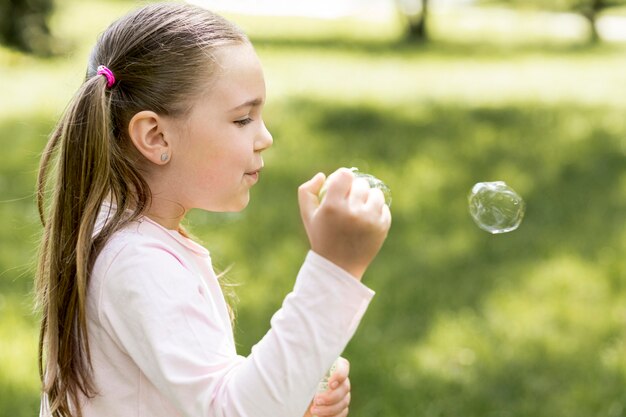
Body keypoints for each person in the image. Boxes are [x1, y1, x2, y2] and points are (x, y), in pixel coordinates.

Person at [35, 3, 391, 417]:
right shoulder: (137, 263)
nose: (265, 137)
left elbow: (202, 393)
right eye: (243, 119)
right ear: (155, 136)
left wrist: (289, 397)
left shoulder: (127, 241)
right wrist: (335, 270)